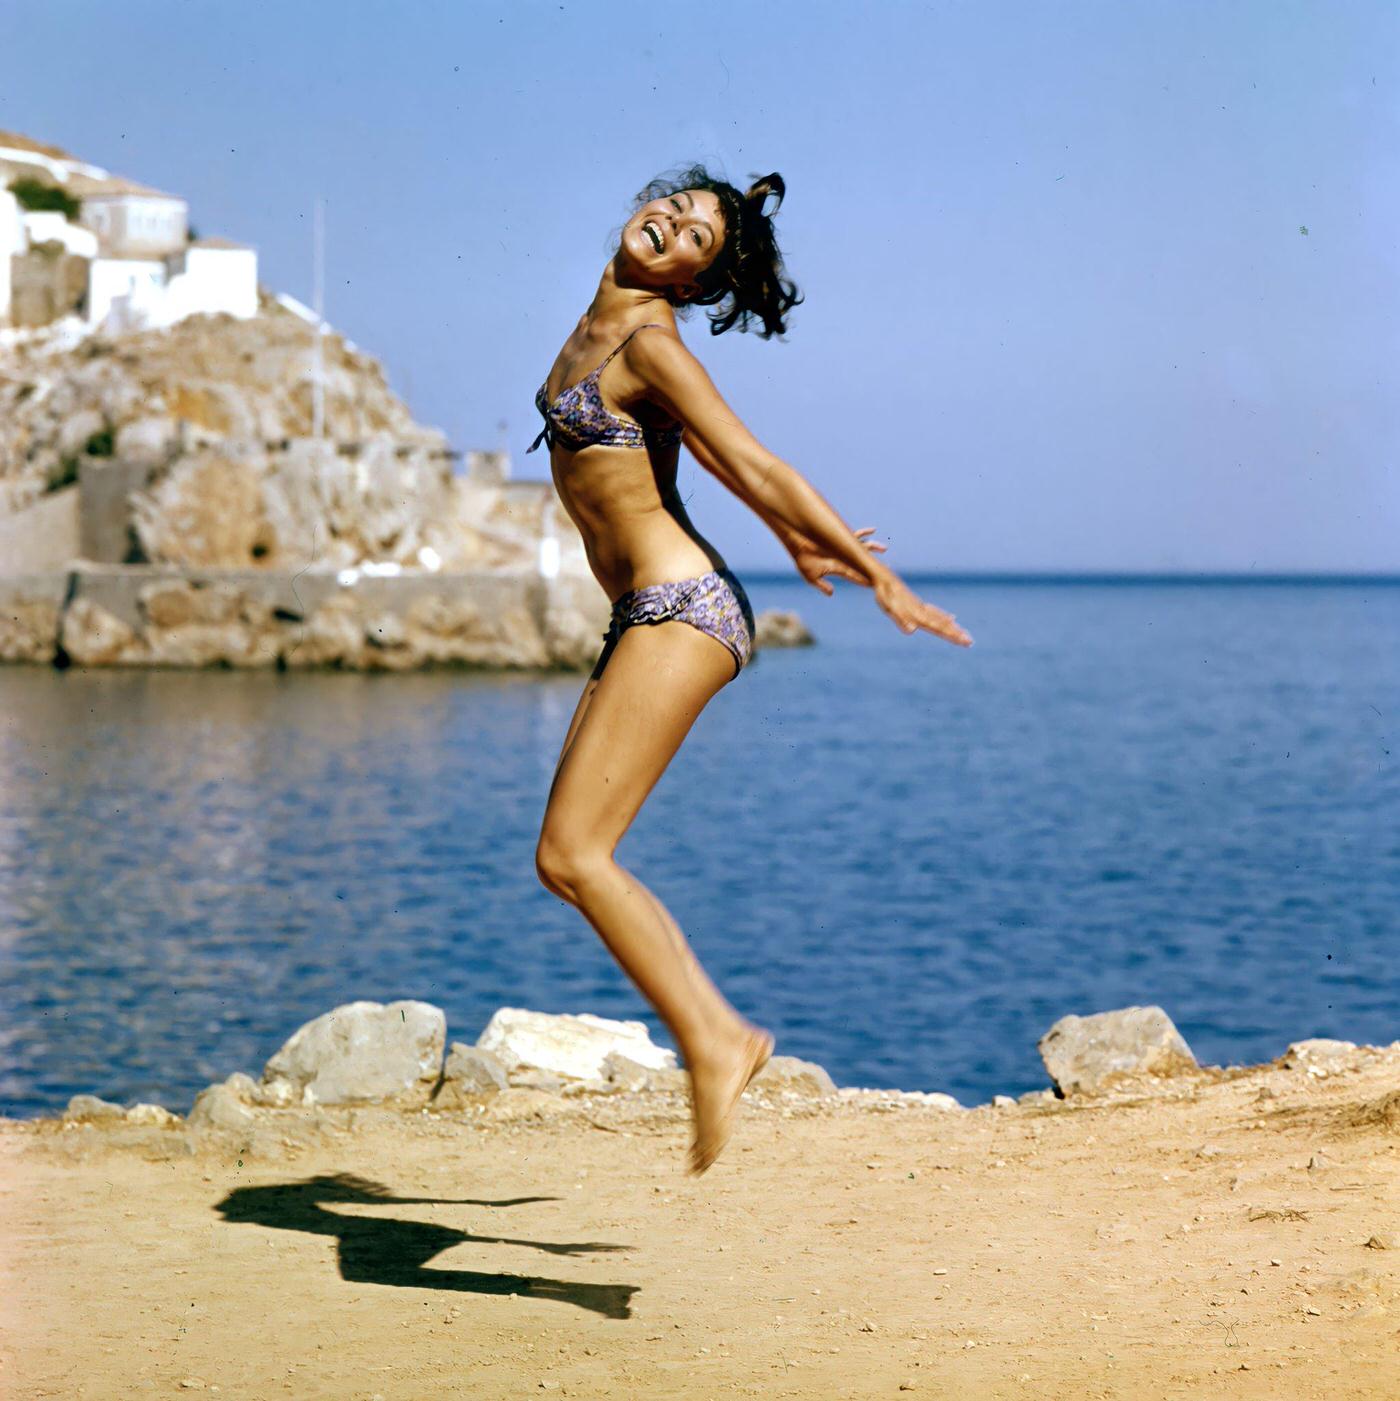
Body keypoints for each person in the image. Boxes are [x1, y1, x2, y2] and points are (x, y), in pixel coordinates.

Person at [531, 163, 973, 1176]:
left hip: (682, 612)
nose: (672, 228)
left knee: (573, 856)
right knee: (565, 858)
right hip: (643, 613)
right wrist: (791, 543)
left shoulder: (648, 342)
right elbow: (710, 469)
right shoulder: (599, 332)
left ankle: (719, 1041)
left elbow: (756, 455)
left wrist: (876, 577)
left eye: (695, 239)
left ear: (695, 282)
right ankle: (715, 1036)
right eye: (674, 210)